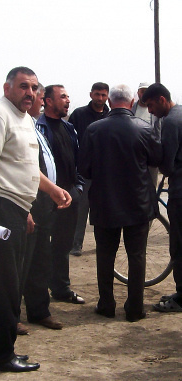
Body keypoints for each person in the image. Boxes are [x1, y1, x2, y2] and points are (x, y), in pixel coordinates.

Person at [0, 67, 72, 373]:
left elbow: (24, 168)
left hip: (15, 208)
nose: (29, 92)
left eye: (33, 87)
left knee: (0, 281)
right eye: (23, 86)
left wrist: (48, 191)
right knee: (7, 285)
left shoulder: (25, 119)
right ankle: (1, 355)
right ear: (7, 87)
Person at [79, 84, 162, 322]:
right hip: (138, 203)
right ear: (132, 100)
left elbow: (84, 168)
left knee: (105, 256)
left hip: (105, 202)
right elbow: (156, 158)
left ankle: (106, 304)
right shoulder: (144, 128)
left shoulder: (94, 130)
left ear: (111, 101)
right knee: (136, 256)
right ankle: (134, 309)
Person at [36, 85, 86, 304]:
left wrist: (78, 190)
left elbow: (78, 161)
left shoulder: (69, 128)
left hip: (69, 196)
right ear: (48, 101)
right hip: (45, 197)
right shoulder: (37, 127)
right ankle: (36, 293)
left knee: (63, 245)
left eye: (68, 96)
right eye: (63, 97)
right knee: (39, 247)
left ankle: (61, 289)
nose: (67, 101)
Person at [21, 82, 63, 332]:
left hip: (43, 204)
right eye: (39, 97)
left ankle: (39, 311)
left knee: (40, 261)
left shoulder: (34, 126)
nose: (40, 101)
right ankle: (10, 315)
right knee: (20, 263)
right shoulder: (15, 126)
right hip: (24, 202)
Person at [142, 83, 182, 313]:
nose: (149, 111)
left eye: (150, 105)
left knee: (178, 244)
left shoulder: (171, 122)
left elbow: (167, 162)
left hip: (180, 189)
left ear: (161, 99)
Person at [68, 82, 109, 256]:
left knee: (104, 211)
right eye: (97, 94)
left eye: (103, 95)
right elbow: (69, 139)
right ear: (91, 94)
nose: (100, 98)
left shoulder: (110, 115)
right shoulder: (79, 115)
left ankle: (104, 244)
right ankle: (76, 244)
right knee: (80, 210)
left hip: (106, 172)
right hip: (84, 171)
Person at [132, 82, 160, 187]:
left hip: (151, 152)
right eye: (142, 91)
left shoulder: (156, 109)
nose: (144, 94)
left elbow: (159, 131)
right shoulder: (131, 108)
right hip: (134, 153)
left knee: (151, 186)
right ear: (138, 92)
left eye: (146, 92)